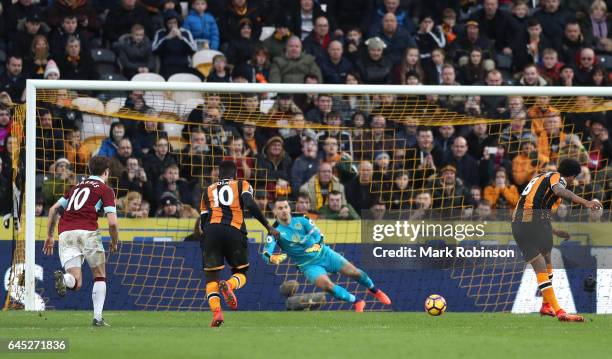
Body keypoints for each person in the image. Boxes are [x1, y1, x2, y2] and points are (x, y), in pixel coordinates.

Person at [511, 158, 602, 322]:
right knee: (545, 261)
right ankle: (558, 311)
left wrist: (554, 231)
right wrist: (586, 202)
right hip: (533, 221)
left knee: (541, 263)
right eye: (573, 178)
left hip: (517, 224)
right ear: (572, 176)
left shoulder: (540, 177)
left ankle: (547, 306)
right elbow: (559, 190)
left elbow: (535, 206)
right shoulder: (556, 177)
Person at [263, 197, 391, 312]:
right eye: (280, 208)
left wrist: (317, 244)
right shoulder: (274, 231)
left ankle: (374, 290)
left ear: (289, 208)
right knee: (327, 286)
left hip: (324, 253)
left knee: (355, 273)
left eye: (286, 207)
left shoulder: (302, 218)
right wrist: (271, 258)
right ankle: (357, 301)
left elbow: (318, 234)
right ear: (275, 212)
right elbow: (266, 253)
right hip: (308, 266)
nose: (284, 210)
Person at [200, 160, 280, 327]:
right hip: (234, 230)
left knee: (211, 279)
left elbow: (203, 222)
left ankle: (217, 313)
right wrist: (268, 226)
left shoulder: (207, 191)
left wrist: (208, 238)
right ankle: (229, 284)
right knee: (241, 271)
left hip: (211, 232)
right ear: (235, 174)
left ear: (218, 174)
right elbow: (249, 203)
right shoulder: (242, 184)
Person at [43, 156, 119, 327]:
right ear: (106, 172)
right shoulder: (105, 189)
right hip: (88, 233)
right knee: (99, 276)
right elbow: (113, 222)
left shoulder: (75, 187)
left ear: (89, 170)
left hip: (66, 233)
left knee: (76, 283)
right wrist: (114, 241)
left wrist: (49, 235)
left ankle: (64, 279)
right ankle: (97, 318)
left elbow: (54, 209)